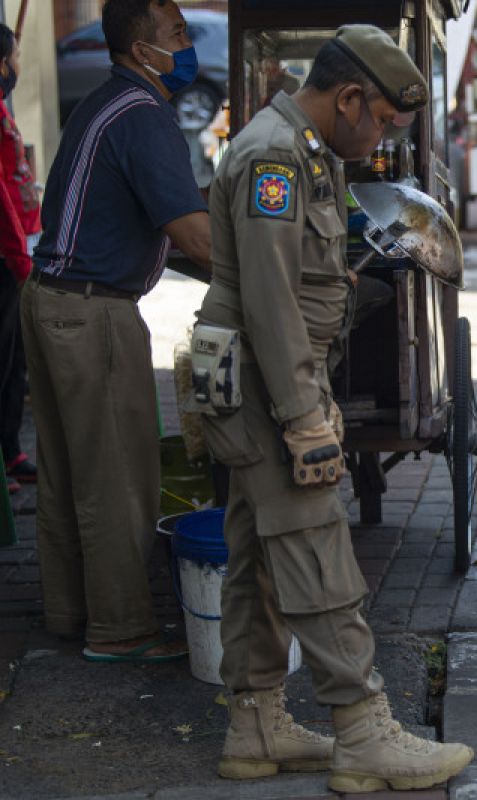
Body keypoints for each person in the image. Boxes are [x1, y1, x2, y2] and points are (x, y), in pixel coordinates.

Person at [194, 25, 473, 791]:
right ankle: (362, 731)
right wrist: (305, 419)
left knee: (255, 554)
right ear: (350, 97)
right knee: (317, 549)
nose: (380, 135)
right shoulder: (274, 157)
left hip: (267, 379)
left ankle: (255, 726)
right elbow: (269, 300)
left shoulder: (299, 149)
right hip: (268, 384)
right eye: (381, 120)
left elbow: (289, 277)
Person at [21, 0, 211, 660]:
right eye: (177, 35)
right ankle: (122, 627)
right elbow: (192, 233)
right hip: (91, 311)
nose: (187, 46)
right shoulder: (144, 115)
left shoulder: (107, 102)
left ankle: (72, 612)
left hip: (51, 299)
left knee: (70, 472)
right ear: (140, 49)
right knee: (116, 476)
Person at [0, 23, 36, 493]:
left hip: (17, 248)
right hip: (5, 257)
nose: (18, 65)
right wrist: (17, 256)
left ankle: (11, 450)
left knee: (14, 360)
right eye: (14, 55)